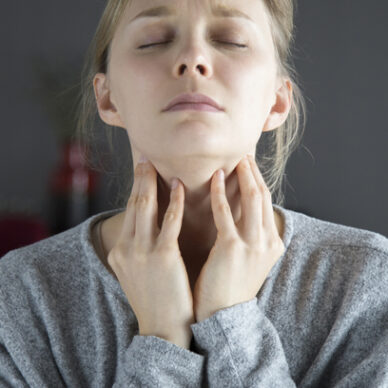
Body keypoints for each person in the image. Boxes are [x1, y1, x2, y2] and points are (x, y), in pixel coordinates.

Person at [1, 0, 387, 387]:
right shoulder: (18, 298)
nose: (193, 59)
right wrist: (161, 338)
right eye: (153, 41)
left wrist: (231, 320)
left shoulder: (371, 286)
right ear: (107, 97)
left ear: (278, 100)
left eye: (232, 40)